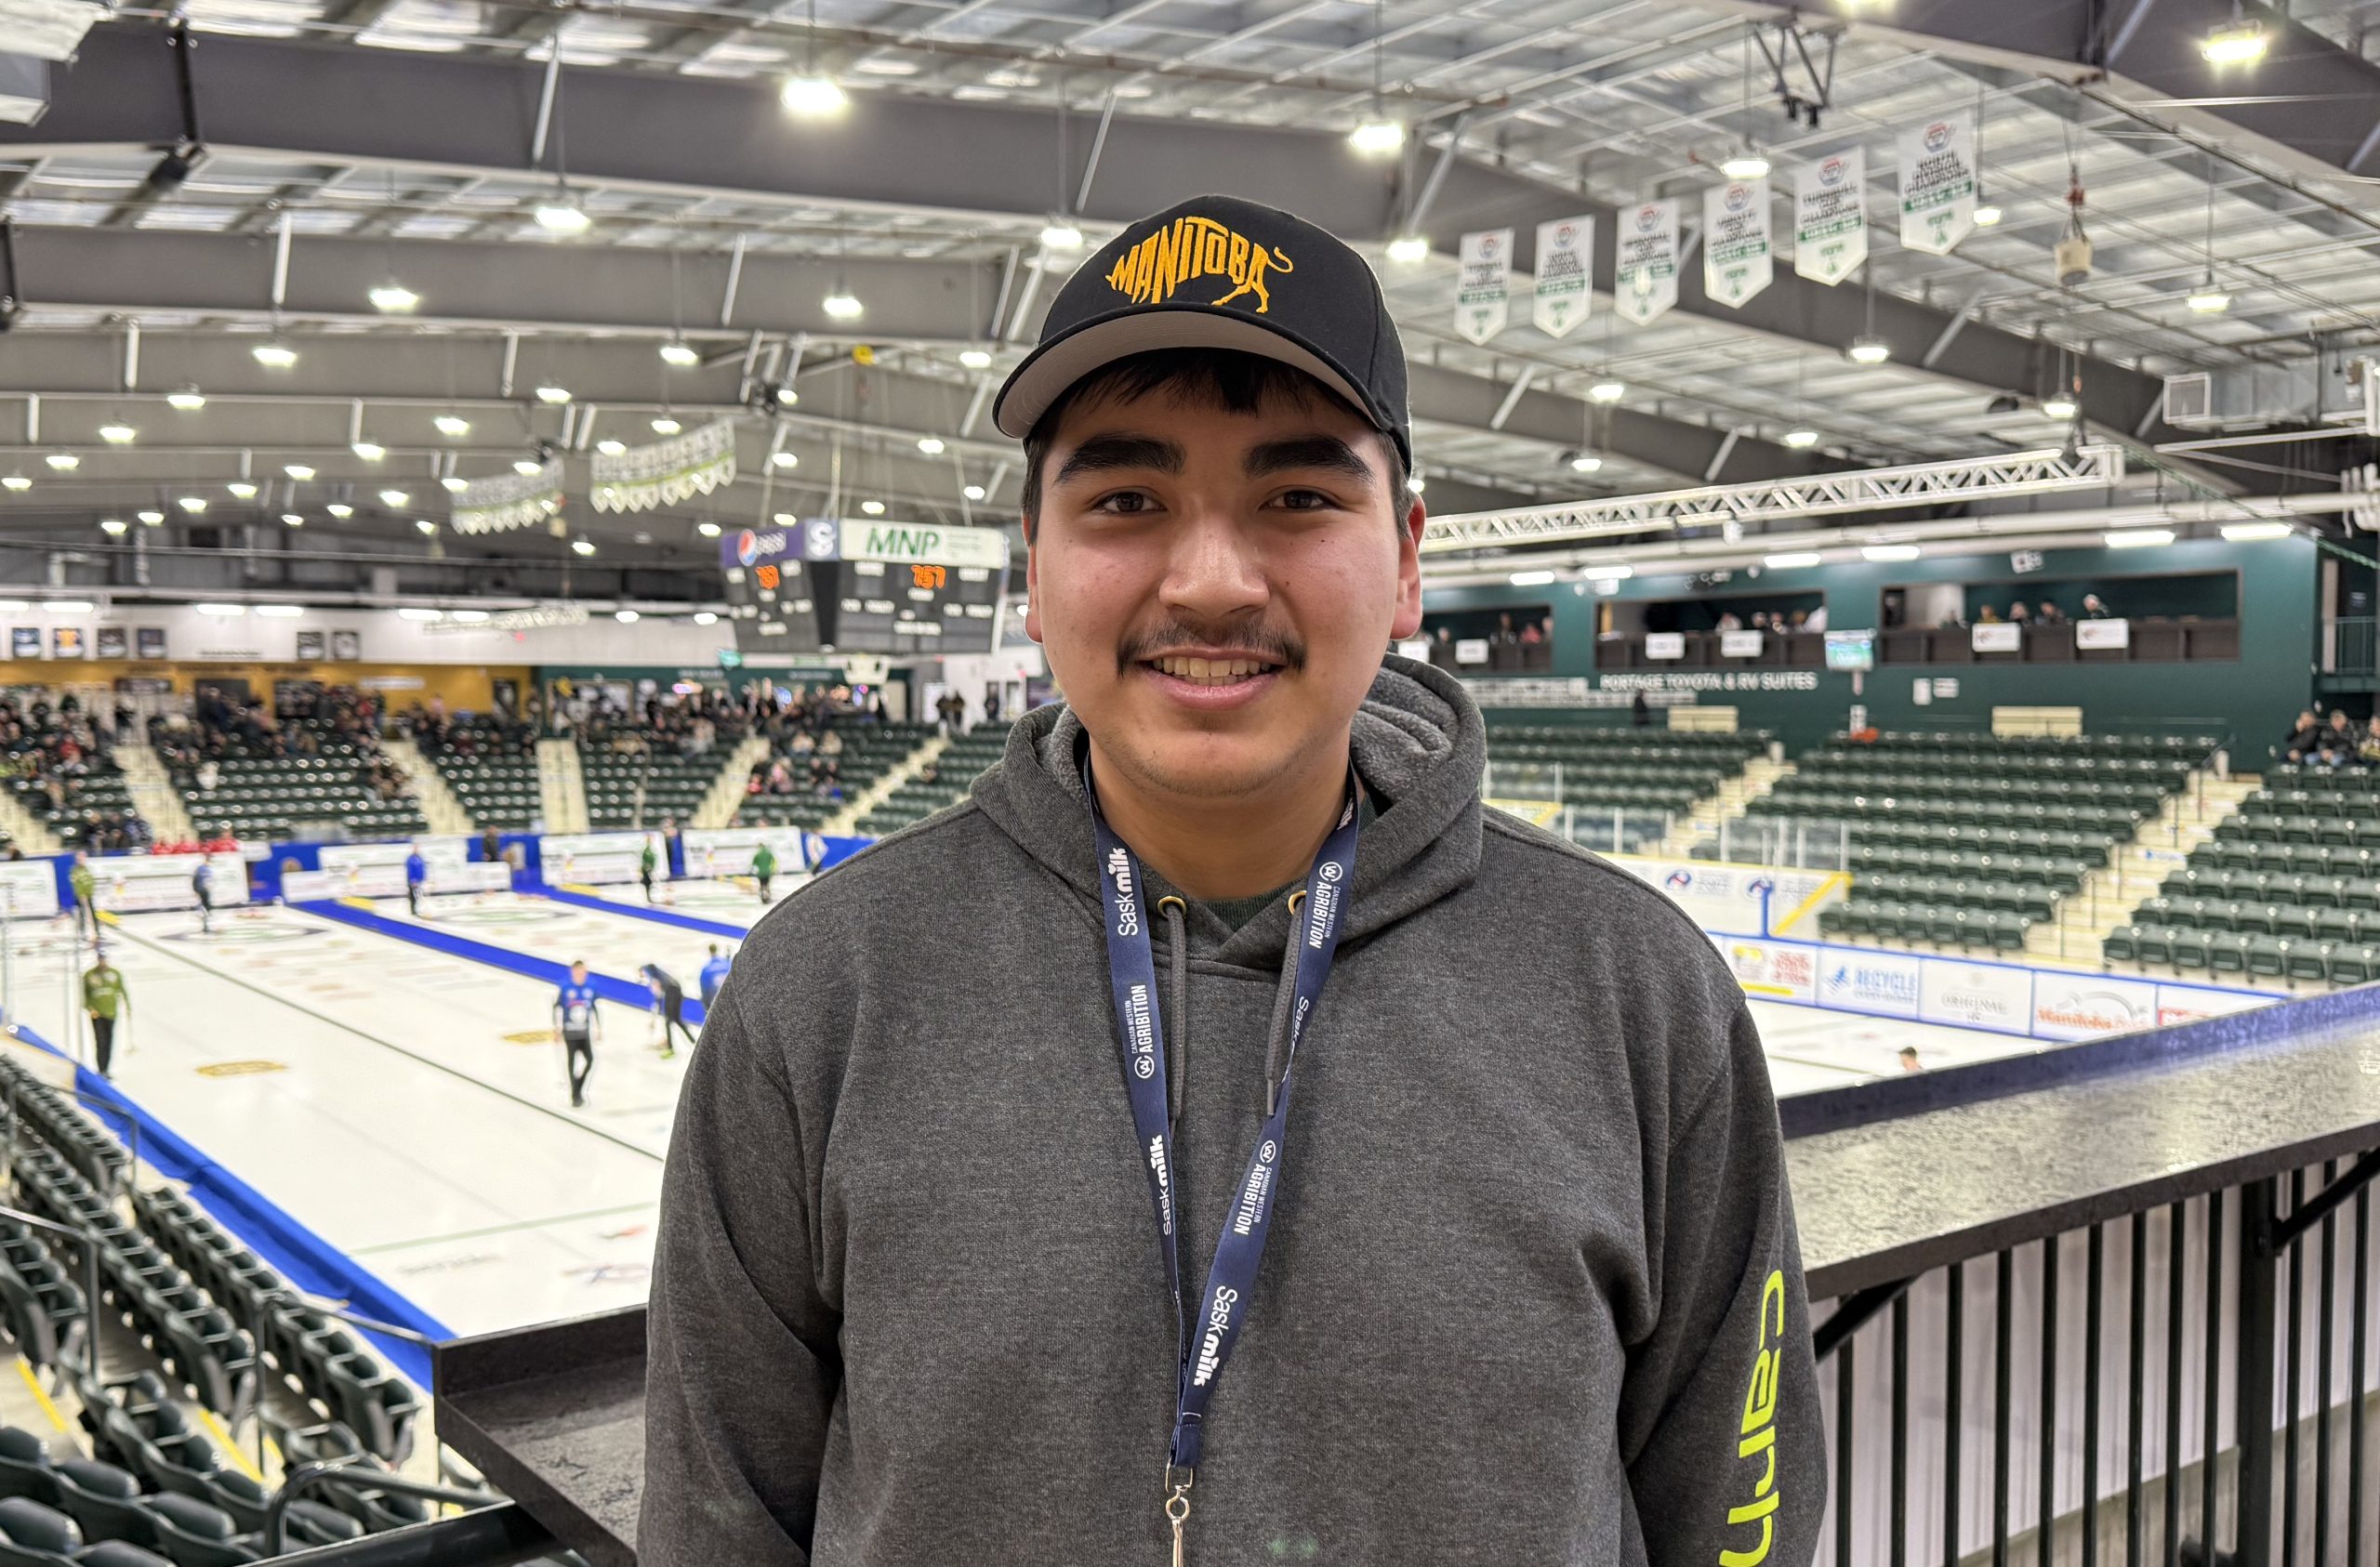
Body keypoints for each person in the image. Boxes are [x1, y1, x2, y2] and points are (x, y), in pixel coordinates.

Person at [641, 195, 1824, 1566]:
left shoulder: (1636, 993)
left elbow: (1739, 1515)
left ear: (1406, 563)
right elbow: (716, 1520)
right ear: (1034, 567)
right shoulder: (823, 991)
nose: (1209, 580)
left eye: (1299, 497)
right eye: (1128, 499)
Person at [553, 960, 601, 1108]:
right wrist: (556, 1028)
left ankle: (578, 1086)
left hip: (584, 1032)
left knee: (590, 1060)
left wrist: (598, 1028)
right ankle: (576, 1095)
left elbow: (593, 1007)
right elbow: (556, 1007)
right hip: (570, 1032)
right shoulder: (565, 987)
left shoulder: (591, 987)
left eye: (583, 971)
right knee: (571, 1062)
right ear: (573, 971)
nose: (581, 974)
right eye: (578, 971)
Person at [83, 951, 127, 1078]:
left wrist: (127, 1006)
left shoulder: (114, 974)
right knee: (100, 1041)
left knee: (109, 1041)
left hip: (111, 1012)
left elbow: (122, 990)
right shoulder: (90, 975)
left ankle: (106, 1068)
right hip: (98, 1014)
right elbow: (86, 995)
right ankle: (101, 1068)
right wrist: (90, 1008)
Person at [640, 964, 695, 1060]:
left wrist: (653, 1018)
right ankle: (694, 1043)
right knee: (677, 1020)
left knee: (668, 1021)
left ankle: (670, 1048)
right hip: (677, 991)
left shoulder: (652, 974)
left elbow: (658, 997)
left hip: (672, 992)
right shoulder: (656, 972)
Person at [66, 850, 95, 942]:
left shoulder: (87, 869)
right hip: (80, 896)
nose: (80, 860)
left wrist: (89, 893)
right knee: (81, 915)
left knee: (92, 914)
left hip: (88, 894)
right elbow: (76, 883)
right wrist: (81, 895)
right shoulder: (74, 870)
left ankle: (96, 932)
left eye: (82, 858)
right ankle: (82, 933)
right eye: (78, 858)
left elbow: (90, 882)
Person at [698, 942, 734, 1011]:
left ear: (709, 951)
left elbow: (705, 993)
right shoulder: (727, 964)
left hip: (715, 1007)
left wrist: (707, 1008)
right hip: (730, 1004)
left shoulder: (707, 970)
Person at [191, 858, 215, 936]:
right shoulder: (200, 869)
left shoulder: (209, 869)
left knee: (207, 905)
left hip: (206, 890)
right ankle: (205, 922)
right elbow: (194, 879)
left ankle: (206, 921)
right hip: (201, 889)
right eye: (209, 861)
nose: (210, 863)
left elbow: (210, 880)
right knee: (203, 906)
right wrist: (195, 890)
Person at [750, 839, 776, 905]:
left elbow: (753, 865)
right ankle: (768, 897)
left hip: (760, 874)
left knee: (762, 885)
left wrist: (752, 872)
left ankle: (763, 898)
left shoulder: (757, 855)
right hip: (767, 872)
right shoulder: (769, 853)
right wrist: (773, 870)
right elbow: (774, 862)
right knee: (767, 885)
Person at [404, 847, 428, 917]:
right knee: (413, 895)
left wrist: (423, 877)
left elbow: (422, 868)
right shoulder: (411, 859)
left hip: (419, 880)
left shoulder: (420, 858)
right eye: (416, 849)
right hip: (413, 881)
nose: (417, 850)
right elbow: (410, 870)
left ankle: (416, 909)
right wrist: (413, 880)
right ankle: (413, 910)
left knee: (417, 895)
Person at [639, 836, 660, 905]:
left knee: (650, 883)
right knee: (648, 883)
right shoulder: (646, 850)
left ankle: (649, 896)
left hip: (649, 869)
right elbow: (645, 859)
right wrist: (647, 867)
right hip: (647, 869)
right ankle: (648, 897)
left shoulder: (651, 849)